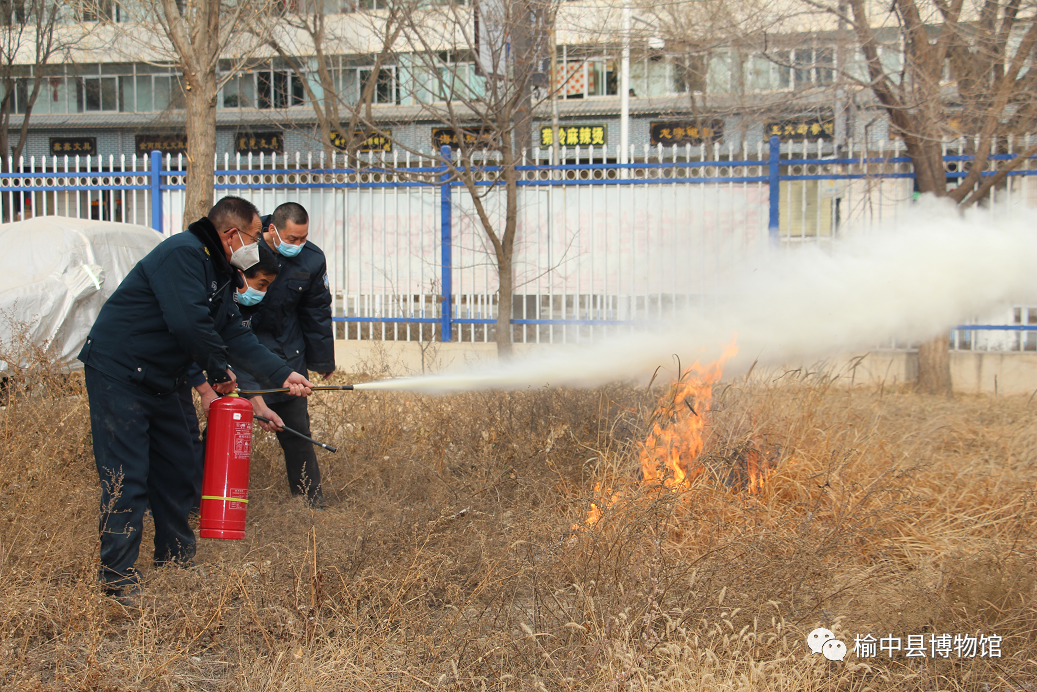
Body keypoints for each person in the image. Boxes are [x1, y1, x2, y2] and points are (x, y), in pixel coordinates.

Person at [79, 196, 314, 603]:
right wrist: (218, 371)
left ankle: (176, 561)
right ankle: (117, 579)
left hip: (164, 380)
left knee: (178, 469)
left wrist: (282, 373)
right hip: (120, 374)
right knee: (127, 476)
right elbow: (188, 323)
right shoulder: (183, 255)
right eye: (256, 236)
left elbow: (234, 333)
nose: (259, 245)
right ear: (231, 234)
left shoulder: (220, 270)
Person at [236, 202, 335, 508]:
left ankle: (309, 501)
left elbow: (317, 310)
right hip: (241, 345)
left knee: (297, 430)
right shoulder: (243, 249)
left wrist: (322, 360)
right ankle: (209, 499)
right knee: (227, 426)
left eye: (303, 238)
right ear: (271, 230)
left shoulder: (312, 259)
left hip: (287, 349)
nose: (298, 245)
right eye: (292, 239)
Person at [179, 243, 283, 514]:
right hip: (169, 372)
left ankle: (196, 504)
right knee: (182, 440)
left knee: (198, 437)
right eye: (260, 284)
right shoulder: (209, 293)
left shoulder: (239, 308)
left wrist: (259, 407)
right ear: (240, 274)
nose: (263, 292)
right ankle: (171, 505)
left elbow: (242, 360)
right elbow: (186, 341)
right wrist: (204, 391)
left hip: (210, 373)